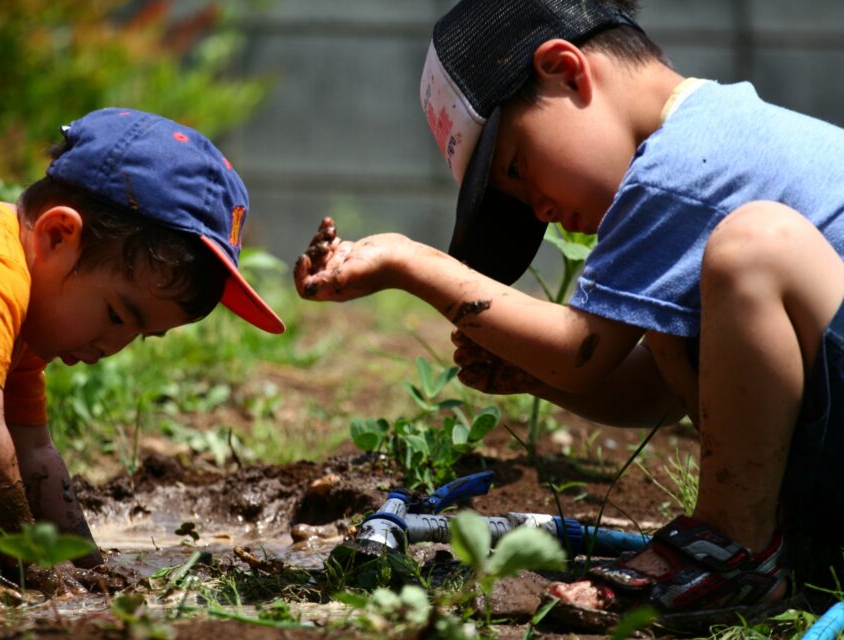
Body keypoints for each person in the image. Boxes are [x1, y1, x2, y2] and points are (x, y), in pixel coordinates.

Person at [294, 0, 844, 629]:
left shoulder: (683, 160)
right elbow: (660, 393)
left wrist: (403, 261)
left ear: (567, 70)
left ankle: (731, 548)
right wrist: (535, 378)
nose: (541, 211)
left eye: (519, 170)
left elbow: (576, 353)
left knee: (756, 244)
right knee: (673, 324)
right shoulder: (690, 167)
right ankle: (751, 553)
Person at [0, 108, 285, 591]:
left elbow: (32, 451)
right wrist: (33, 565)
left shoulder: (16, 327)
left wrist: (88, 565)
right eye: (117, 315)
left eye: (138, 335)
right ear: (57, 235)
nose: (111, 346)